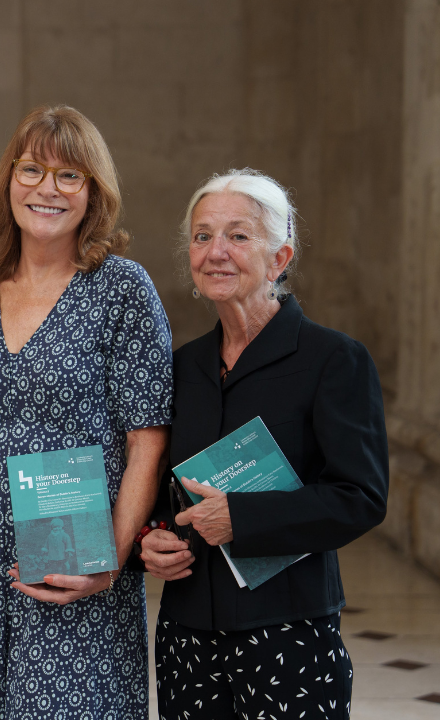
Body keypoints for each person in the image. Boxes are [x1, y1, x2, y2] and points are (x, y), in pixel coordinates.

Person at [0, 105, 173, 718]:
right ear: (8, 180)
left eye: (70, 176)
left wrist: (110, 563)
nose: (48, 189)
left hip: (77, 559)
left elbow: (147, 443)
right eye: (32, 170)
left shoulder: (121, 289)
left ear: (94, 193)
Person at [140, 169, 388, 720]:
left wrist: (243, 518)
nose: (216, 252)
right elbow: (159, 492)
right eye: (203, 236)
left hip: (289, 632)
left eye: (238, 236)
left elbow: (361, 497)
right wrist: (149, 538)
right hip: (187, 634)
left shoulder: (333, 359)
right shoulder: (181, 367)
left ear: (280, 258)